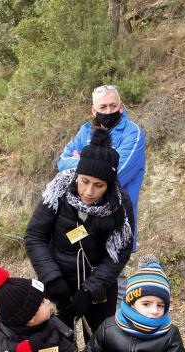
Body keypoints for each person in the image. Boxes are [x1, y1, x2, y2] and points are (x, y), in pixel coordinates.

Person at [24, 128, 134, 336]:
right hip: (57, 282)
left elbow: (119, 252)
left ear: (109, 186)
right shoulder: (58, 191)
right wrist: (53, 279)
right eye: (84, 181)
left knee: (100, 344)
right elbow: (34, 237)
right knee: (53, 344)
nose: (89, 191)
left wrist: (89, 290)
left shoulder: (120, 203)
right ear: (77, 175)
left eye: (99, 185)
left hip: (98, 288)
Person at [56, 83, 145, 253]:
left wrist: (84, 161)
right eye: (102, 106)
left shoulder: (133, 134)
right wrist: (100, 163)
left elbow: (116, 175)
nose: (108, 111)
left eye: (113, 105)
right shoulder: (86, 131)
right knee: (73, 261)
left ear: (120, 106)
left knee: (110, 276)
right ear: (93, 109)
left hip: (115, 222)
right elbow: (62, 162)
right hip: (81, 218)